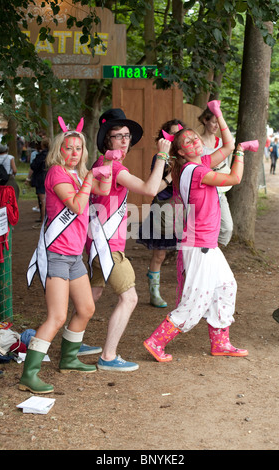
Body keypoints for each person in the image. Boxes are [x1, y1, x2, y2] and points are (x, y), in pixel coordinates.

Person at [144, 100, 259, 362]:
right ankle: (156, 341)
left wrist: (219, 114)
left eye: (195, 138)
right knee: (195, 301)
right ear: (181, 152)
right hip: (199, 245)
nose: (195, 142)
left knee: (227, 286)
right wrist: (241, 153)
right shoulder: (195, 171)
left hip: (206, 243)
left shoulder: (198, 164)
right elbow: (234, 178)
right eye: (188, 142)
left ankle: (221, 342)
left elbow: (226, 145)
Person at [19, 117, 113, 394]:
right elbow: (75, 205)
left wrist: (105, 169)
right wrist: (88, 178)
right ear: (59, 150)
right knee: (56, 316)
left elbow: (103, 191)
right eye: (68, 148)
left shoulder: (76, 174)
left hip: (74, 255)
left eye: (78, 149)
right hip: (57, 254)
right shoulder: (57, 174)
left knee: (86, 308)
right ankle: (29, 374)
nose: (74, 153)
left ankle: (69, 359)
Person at [85, 108, 171, 371]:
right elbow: (148, 190)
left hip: (97, 244)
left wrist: (168, 178)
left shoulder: (104, 164)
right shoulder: (115, 168)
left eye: (127, 136)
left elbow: (154, 187)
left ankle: (72, 341)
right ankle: (108, 357)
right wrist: (162, 156)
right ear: (106, 140)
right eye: (117, 136)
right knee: (130, 298)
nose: (124, 141)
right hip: (107, 246)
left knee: (93, 295)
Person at [136, 119, 186, 308]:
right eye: (172, 135)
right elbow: (155, 189)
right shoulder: (160, 158)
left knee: (188, 255)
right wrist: (169, 174)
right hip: (164, 210)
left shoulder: (189, 157)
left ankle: (187, 295)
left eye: (179, 135)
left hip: (186, 211)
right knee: (159, 255)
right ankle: (154, 293)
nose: (176, 139)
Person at [198, 106, 233, 247]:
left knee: (227, 227)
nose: (216, 126)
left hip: (219, 191)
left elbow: (227, 167)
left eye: (219, 122)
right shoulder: (197, 142)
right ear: (205, 120)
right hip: (202, 192)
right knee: (202, 229)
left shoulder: (223, 143)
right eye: (213, 122)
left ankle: (213, 253)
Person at [29, 137, 50, 228]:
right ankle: (45, 219)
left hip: (41, 179)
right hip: (49, 178)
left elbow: (33, 166)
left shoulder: (41, 155)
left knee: (43, 201)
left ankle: (43, 222)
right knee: (46, 200)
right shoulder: (53, 155)